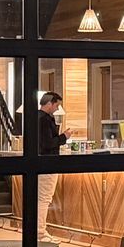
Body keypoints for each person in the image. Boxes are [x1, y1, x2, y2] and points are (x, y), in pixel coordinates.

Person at [36, 92, 68, 229]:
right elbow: (48, 143)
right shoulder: (45, 120)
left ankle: (37, 230)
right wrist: (64, 137)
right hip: (48, 163)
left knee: (40, 198)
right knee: (44, 198)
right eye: (57, 105)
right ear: (49, 103)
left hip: (39, 162)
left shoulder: (35, 117)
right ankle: (40, 231)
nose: (57, 109)